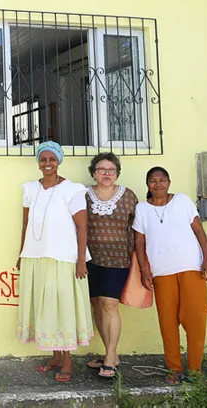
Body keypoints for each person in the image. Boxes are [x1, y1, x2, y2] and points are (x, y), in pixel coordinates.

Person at [16, 141, 94, 383]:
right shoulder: (30, 189)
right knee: (46, 305)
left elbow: (82, 227)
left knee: (63, 307)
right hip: (36, 256)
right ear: (38, 162)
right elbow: (26, 224)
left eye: (52, 159)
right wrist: (21, 253)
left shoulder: (73, 190)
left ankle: (68, 360)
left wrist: (81, 260)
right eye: (43, 159)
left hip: (64, 258)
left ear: (59, 161)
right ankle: (55, 357)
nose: (47, 164)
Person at [133, 166, 207, 385]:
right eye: (153, 180)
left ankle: (195, 370)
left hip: (192, 268)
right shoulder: (142, 209)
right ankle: (174, 369)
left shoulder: (182, 201)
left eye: (162, 180)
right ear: (147, 184)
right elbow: (139, 241)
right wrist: (144, 270)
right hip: (161, 272)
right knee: (168, 323)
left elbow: (199, 231)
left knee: (195, 321)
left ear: (169, 182)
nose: (158, 184)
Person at [84, 153, 138, 378]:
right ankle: (110, 354)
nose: (106, 173)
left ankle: (110, 358)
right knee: (96, 304)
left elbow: (138, 228)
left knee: (109, 304)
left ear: (117, 173)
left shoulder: (128, 196)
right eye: (101, 169)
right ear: (93, 172)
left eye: (111, 170)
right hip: (90, 260)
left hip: (118, 259)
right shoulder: (83, 196)